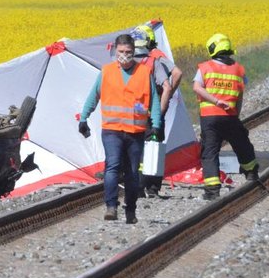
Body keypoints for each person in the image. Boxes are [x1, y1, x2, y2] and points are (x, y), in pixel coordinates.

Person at [78, 33, 163, 223]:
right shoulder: (107, 71)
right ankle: (111, 206)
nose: (125, 55)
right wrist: (84, 118)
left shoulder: (143, 72)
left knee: (133, 172)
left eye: (129, 52)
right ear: (115, 51)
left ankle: (130, 210)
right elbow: (94, 96)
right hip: (112, 130)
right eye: (121, 51)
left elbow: (153, 102)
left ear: (134, 52)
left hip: (135, 131)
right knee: (113, 166)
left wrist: (156, 124)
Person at [192, 33, 259, 200]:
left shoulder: (205, 67)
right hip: (230, 116)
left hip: (209, 117)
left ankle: (212, 190)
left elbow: (197, 87)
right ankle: (251, 173)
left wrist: (215, 101)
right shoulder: (239, 69)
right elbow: (240, 95)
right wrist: (236, 114)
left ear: (212, 49)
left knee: (210, 151)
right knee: (242, 144)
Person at [133, 23, 183, 198]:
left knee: (139, 147)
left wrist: (166, 96)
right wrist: (166, 97)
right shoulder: (153, 57)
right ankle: (152, 187)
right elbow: (176, 74)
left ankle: (140, 185)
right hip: (152, 109)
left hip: (139, 111)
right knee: (155, 146)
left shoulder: (150, 57)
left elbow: (176, 73)